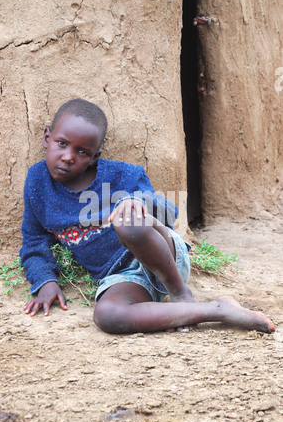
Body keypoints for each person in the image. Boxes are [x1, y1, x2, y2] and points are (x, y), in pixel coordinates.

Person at [20, 98, 275, 335]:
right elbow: (33, 241)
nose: (68, 156)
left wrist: (136, 202)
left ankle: (180, 294)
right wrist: (45, 280)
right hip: (123, 278)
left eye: (82, 152)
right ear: (47, 138)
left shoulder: (123, 175)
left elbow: (168, 211)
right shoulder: (37, 184)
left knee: (126, 220)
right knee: (107, 316)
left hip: (164, 256)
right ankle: (217, 310)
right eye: (62, 144)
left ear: (94, 156)